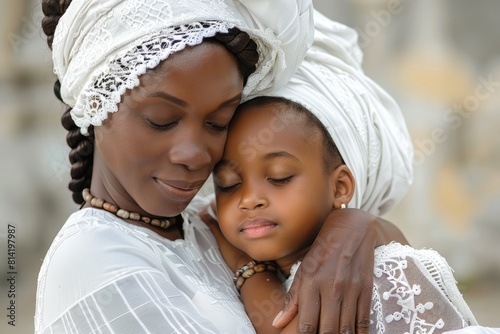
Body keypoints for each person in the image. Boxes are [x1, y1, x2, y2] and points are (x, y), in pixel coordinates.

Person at [37, 1, 411, 333]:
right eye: (162, 119)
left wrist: (354, 226)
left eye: (218, 123)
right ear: (96, 105)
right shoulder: (92, 262)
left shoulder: (212, 223)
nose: (196, 154)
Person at [209, 10, 500, 334]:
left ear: (341, 186)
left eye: (279, 176)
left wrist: (246, 268)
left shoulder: (383, 269)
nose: (248, 199)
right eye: (228, 184)